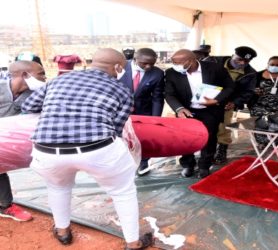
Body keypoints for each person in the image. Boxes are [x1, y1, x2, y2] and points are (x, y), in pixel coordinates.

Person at [21, 48, 153, 249]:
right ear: (117, 67)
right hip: (98, 149)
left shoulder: (58, 81)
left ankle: (63, 231)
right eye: (123, 68)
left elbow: (28, 106)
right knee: (123, 192)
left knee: (58, 187)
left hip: (47, 151)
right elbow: (117, 127)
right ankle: (132, 243)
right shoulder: (121, 90)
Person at [165, 49, 235, 178]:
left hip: (210, 111)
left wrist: (217, 100)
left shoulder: (215, 68)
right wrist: (179, 109)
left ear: (191, 60)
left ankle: (204, 166)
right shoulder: (171, 73)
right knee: (185, 139)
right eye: (173, 62)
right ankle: (188, 165)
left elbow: (229, 86)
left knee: (209, 138)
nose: (175, 66)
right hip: (186, 111)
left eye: (178, 62)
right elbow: (169, 94)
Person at [0, 60, 46, 222]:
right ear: (25, 75)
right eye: (40, 73)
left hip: (7, 143)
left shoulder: (36, 95)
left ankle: (5, 205)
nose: (44, 77)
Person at [120, 48, 165, 176]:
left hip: (144, 111)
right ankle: (124, 163)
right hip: (121, 111)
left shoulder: (157, 74)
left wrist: (156, 119)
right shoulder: (120, 67)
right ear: (135, 59)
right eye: (144, 63)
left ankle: (143, 162)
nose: (148, 66)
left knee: (143, 137)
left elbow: (157, 97)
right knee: (121, 138)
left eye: (152, 63)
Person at [214, 46, 257, 164]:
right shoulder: (214, 61)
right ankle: (205, 149)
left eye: (246, 61)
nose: (242, 63)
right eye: (239, 59)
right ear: (233, 55)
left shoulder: (250, 73)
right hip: (204, 99)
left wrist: (235, 102)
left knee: (223, 126)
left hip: (226, 103)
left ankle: (221, 150)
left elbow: (247, 92)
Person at [249, 56, 278, 147]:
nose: (275, 66)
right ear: (268, 64)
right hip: (261, 107)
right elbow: (249, 88)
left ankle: (275, 144)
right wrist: (254, 91)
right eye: (272, 64)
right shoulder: (258, 75)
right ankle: (262, 144)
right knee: (261, 126)